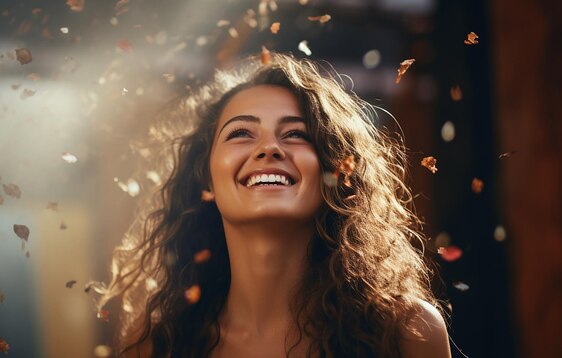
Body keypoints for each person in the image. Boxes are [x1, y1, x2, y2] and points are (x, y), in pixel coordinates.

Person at [98, 52, 451, 357]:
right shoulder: (156, 342)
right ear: (205, 177)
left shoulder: (407, 333)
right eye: (240, 133)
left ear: (334, 168)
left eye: (296, 134)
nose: (269, 148)